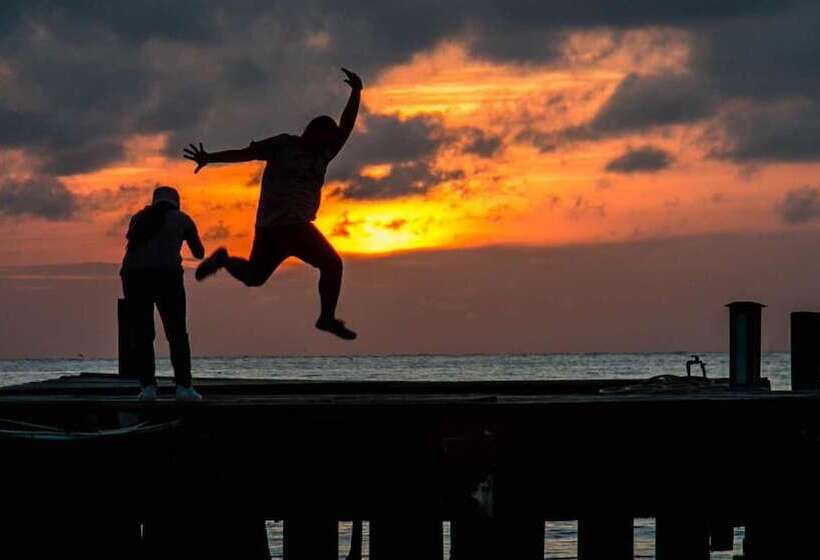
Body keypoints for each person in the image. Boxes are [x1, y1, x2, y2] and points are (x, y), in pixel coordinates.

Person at [183, 68, 362, 341]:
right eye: (323, 138)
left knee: (331, 265)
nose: (328, 143)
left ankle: (326, 318)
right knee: (255, 277)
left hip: (299, 227)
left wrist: (356, 92)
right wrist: (210, 157)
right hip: (274, 227)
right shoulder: (283, 145)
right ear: (311, 132)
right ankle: (224, 261)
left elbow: (346, 126)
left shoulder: (324, 153)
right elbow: (246, 154)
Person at [121, 186, 205, 401]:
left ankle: (148, 388)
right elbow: (199, 253)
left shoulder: (138, 218)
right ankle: (183, 387)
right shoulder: (183, 219)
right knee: (176, 333)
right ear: (177, 202)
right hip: (167, 276)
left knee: (142, 333)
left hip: (133, 276)